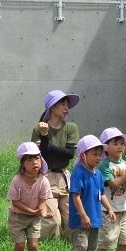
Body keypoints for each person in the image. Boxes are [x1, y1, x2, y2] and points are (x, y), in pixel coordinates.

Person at [32, 89, 80, 240]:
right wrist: (44, 139)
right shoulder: (38, 129)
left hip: (64, 177)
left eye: (67, 105)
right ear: (52, 107)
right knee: (53, 220)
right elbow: (39, 158)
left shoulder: (71, 128)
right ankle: (48, 247)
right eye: (62, 104)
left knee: (71, 220)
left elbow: (69, 154)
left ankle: (69, 249)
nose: (66, 108)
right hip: (45, 177)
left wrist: (46, 142)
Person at [69, 135, 116, 251]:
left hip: (95, 217)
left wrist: (109, 209)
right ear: (83, 155)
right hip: (81, 220)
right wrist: (82, 215)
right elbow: (76, 195)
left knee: (89, 247)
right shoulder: (78, 173)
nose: (98, 158)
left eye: (100, 154)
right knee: (79, 247)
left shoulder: (99, 174)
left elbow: (101, 194)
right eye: (94, 154)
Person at [8, 142, 53, 251]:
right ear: (22, 164)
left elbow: (42, 202)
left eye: (37, 158)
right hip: (17, 217)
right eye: (29, 159)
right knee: (20, 246)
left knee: (33, 246)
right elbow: (15, 203)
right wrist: (34, 211)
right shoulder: (17, 180)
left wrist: (43, 212)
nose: (35, 162)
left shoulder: (43, 181)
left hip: (34, 219)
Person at [94, 127, 126, 251]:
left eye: (122, 143)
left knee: (124, 239)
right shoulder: (104, 165)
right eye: (116, 143)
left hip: (124, 207)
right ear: (106, 147)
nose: (120, 146)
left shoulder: (125, 164)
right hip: (108, 209)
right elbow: (113, 184)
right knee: (106, 240)